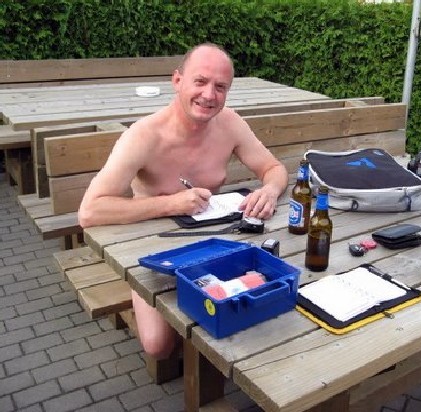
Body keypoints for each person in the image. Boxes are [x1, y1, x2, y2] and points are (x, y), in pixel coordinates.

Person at [78, 43, 288, 359]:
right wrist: (171, 204)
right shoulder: (144, 135)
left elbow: (273, 168)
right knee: (158, 346)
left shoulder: (230, 122)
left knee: (262, 299)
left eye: (220, 87)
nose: (209, 95)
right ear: (177, 81)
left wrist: (269, 190)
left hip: (216, 240)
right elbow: (90, 211)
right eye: (200, 81)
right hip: (151, 247)